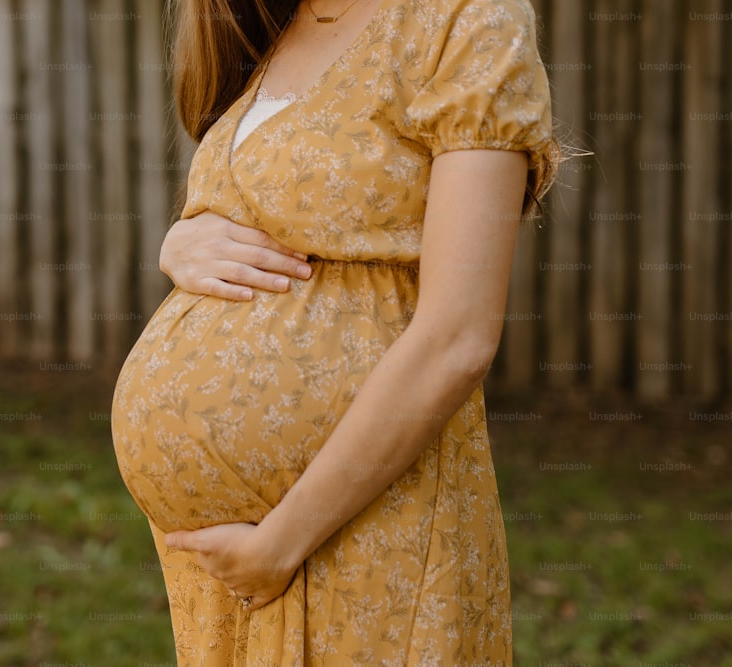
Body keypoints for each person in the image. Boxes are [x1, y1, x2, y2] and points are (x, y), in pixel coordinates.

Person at [111, 0, 558, 663]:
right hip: (227, 571)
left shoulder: (463, 19)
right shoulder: (275, 23)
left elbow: (457, 336)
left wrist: (280, 541)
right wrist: (180, 240)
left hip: (360, 523)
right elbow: (275, 212)